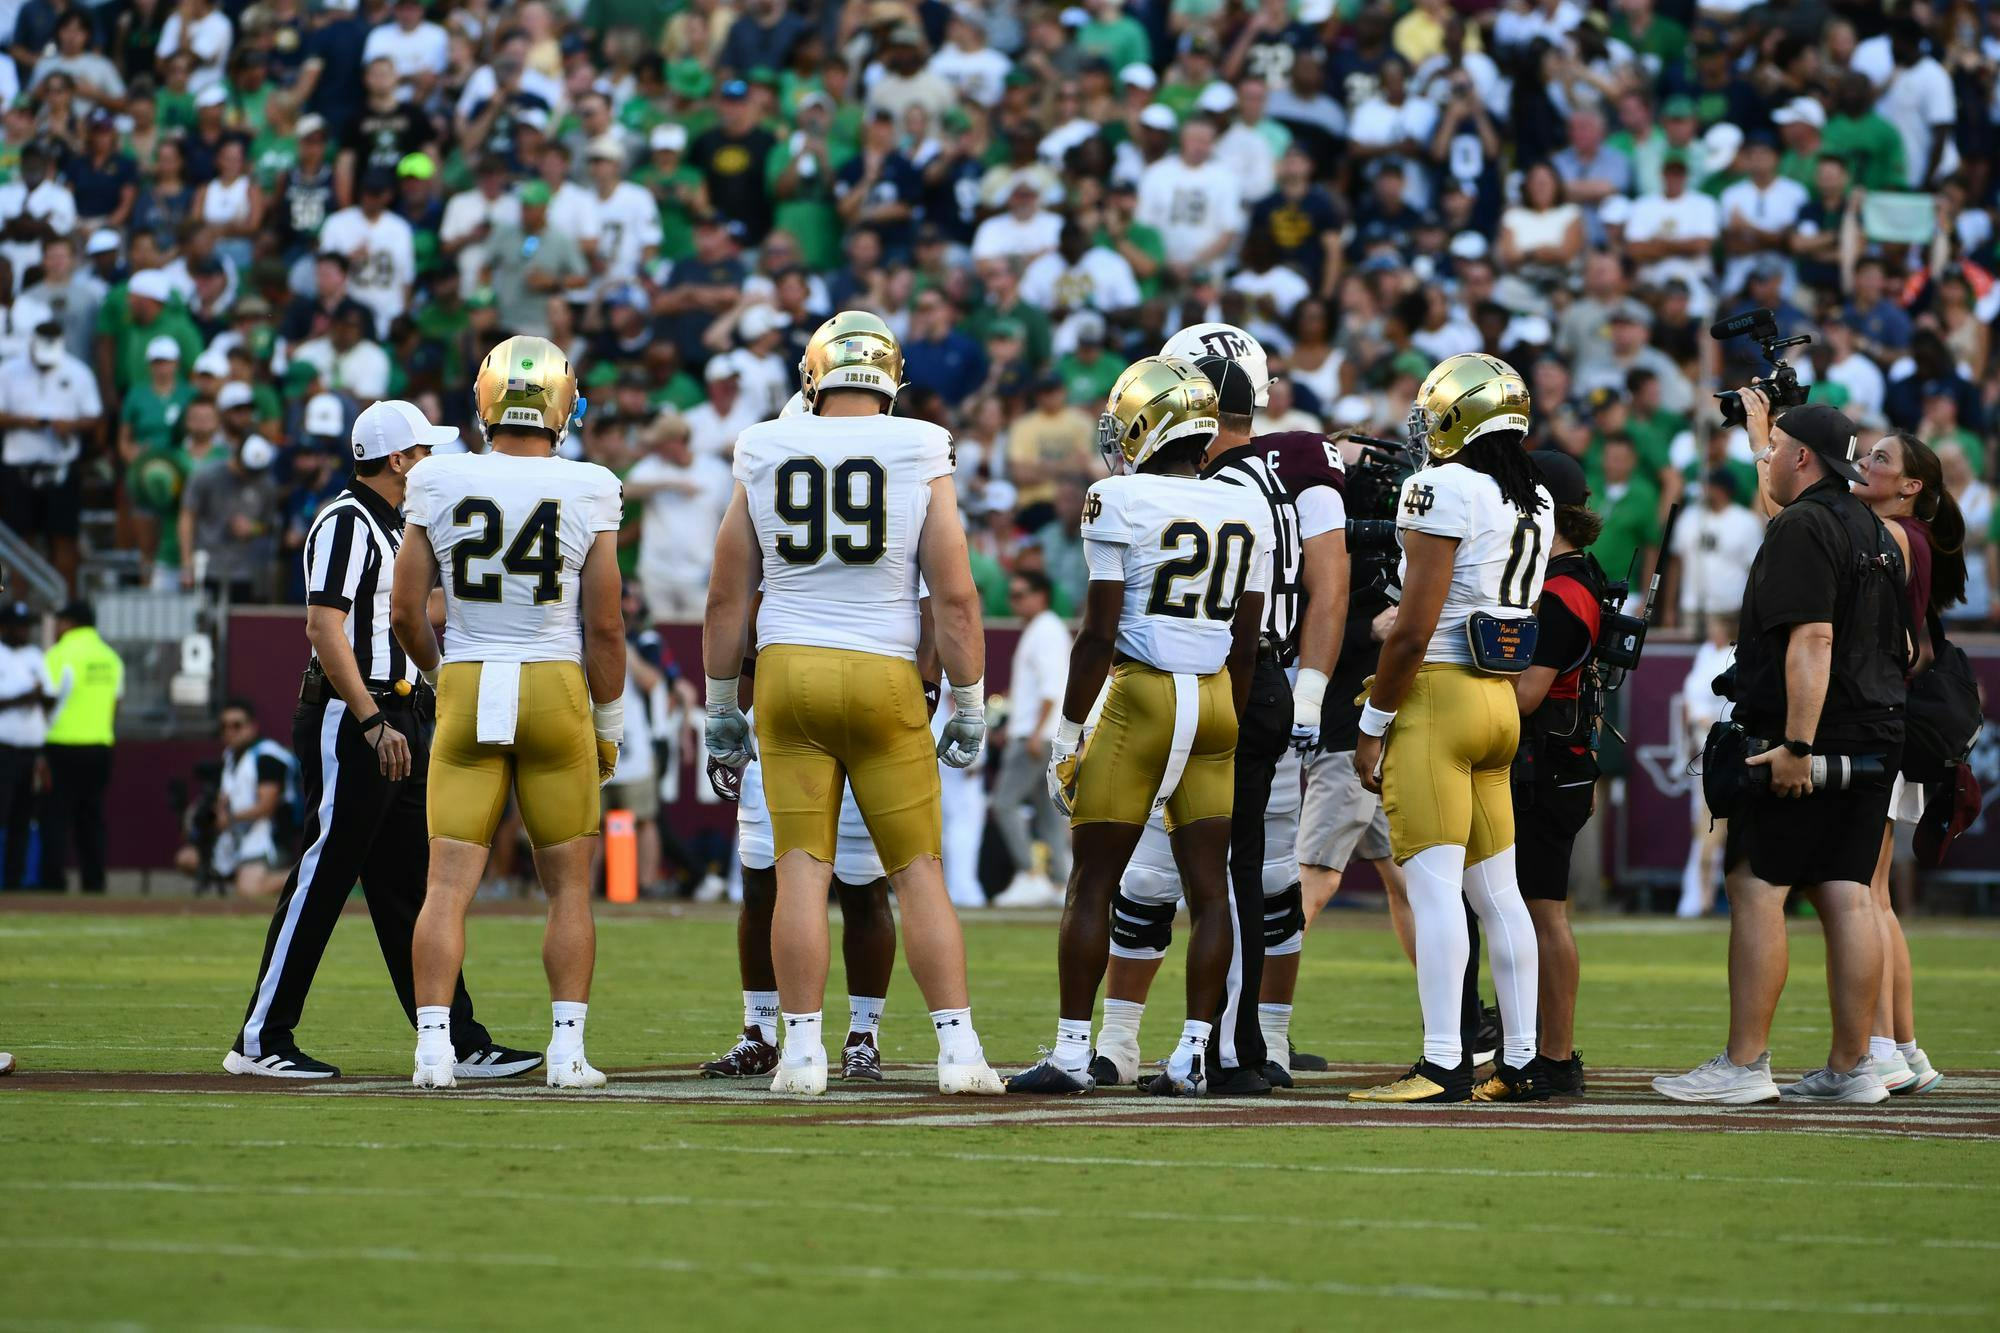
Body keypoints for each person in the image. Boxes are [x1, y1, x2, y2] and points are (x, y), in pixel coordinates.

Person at [701, 310, 1003, 1097]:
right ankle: (959, 1050)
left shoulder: (765, 443)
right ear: (891, 380)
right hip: (882, 672)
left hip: (789, 672)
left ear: (813, 377)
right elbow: (956, 596)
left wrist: (720, 702)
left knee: (800, 871)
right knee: (918, 872)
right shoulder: (919, 443)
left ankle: (800, 1053)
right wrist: (971, 701)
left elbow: (726, 593)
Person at [226, 399, 533, 1080]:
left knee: (409, 887)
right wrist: (369, 719)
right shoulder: (347, 521)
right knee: (323, 874)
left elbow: (411, 611)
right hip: (354, 714)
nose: (432, 462)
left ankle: (453, 1036)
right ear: (397, 460)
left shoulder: (393, 525)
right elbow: (323, 626)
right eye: (424, 452)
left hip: (398, 711)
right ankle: (260, 1037)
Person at [1009, 354, 1273, 1097]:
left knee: (1093, 879)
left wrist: (1069, 731)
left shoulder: (1117, 497)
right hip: (1216, 695)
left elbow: (1098, 633)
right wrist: (1227, 717)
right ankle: (1191, 1056)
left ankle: (1071, 1053)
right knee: (1209, 890)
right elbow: (1246, 640)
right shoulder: (1245, 504)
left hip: (1143, 695)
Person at [1655, 400, 1907, 1106]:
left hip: (1811, 733)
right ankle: (1855, 1066)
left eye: (1775, 448)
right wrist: (1757, 430)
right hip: (1877, 728)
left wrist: (1796, 742)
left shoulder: (1803, 526)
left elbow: (1813, 637)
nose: (1765, 458)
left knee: (1756, 884)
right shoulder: (1874, 528)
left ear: (1802, 458)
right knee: (1847, 891)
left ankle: (1745, 1063)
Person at [393, 336, 627, 1091]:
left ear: (486, 401)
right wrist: (610, 721)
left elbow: (405, 611)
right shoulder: (589, 484)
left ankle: (434, 1050)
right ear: (564, 405)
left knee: (445, 886)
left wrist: (441, 673)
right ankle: (567, 1050)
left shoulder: (437, 476)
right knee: (568, 888)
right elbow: (606, 626)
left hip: (470, 676)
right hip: (553, 685)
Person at [1349, 353, 1553, 1104]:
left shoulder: (1442, 486)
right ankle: (1521, 1060)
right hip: (1499, 699)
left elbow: (1411, 630)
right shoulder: (1534, 496)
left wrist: (1373, 723)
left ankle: (1443, 1062)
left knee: (1434, 891)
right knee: (1500, 894)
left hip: (1438, 696)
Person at [1159, 322, 1347, 1093]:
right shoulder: (1268, 480)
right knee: (1231, 871)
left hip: (1234, 674)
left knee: (1224, 874)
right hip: (1260, 674)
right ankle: (1234, 1043)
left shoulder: (1226, 486)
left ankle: (1227, 1049)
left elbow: (1244, 611)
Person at [1851, 430, 1964, 1096]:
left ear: (1911, 486)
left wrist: (1765, 451)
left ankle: (1881, 1049)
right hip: (1895, 717)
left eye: (1881, 459)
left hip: (1879, 720)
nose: (1867, 463)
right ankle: (1903, 1046)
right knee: (1876, 897)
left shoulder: (1893, 534)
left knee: (1862, 896)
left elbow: (1795, 526)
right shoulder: (1909, 533)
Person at [1509, 451, 1605, 1097]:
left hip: (1546, 766)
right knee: (1533, 910)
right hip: (1557, 762)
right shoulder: (1574, 576)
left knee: (1543, 913)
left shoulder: (1559, 593)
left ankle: (1555, 1054)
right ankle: (1538, 1047)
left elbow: (1525, 695)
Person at [988, 570, 1073, 907]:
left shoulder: (1046, 630)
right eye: (1012, 595)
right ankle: (1061, 883)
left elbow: (1052, 688)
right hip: (1040, 734)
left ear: (1041, 595)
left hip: (1035, 737)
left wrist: (1035, 733)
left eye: (1021, 594)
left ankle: (1029, 873)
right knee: (1047, 813)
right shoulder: (1043, 629)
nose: (1014, 602)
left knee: (1004, 804)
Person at [0, 318, 103, 593]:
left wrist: (70, 425)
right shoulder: (8, 372)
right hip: (18, 465)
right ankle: (19, 606)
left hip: (61, 464)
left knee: (64, 538)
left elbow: (93, 417)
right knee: (20, 540)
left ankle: (63, 604)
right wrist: (24, 421)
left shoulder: (79, 372)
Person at [38, 600, 122, 894]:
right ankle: (94, 882)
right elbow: (116, 704)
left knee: (55, 816)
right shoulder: (110, 657)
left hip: (62, 744)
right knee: (92, 817)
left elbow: (47, 697)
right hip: (100, 745)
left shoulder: (59, 654)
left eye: (60, 622)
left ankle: (53, 882)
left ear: (69, 623)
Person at [182, 699, 295, 899]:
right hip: (235, 840)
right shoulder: (229, 759)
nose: (230, 731)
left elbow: (266, 806)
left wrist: (230, 817)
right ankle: (246, 875)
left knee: (249, 891)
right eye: (224, 726)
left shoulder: (267, 756)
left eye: (237, 725)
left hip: (269, 839)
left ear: (252, 727)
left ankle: (313, 877)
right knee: (188, 859)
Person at [0, 602, 49, 891]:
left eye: (26, 626)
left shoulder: (34, 656)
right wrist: (26, 697)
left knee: (22, 818)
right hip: (3, 748)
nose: (24, 631)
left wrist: (42, 696)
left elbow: (50, 694)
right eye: (18, 626)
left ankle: (14, 883)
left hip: (31, 750)